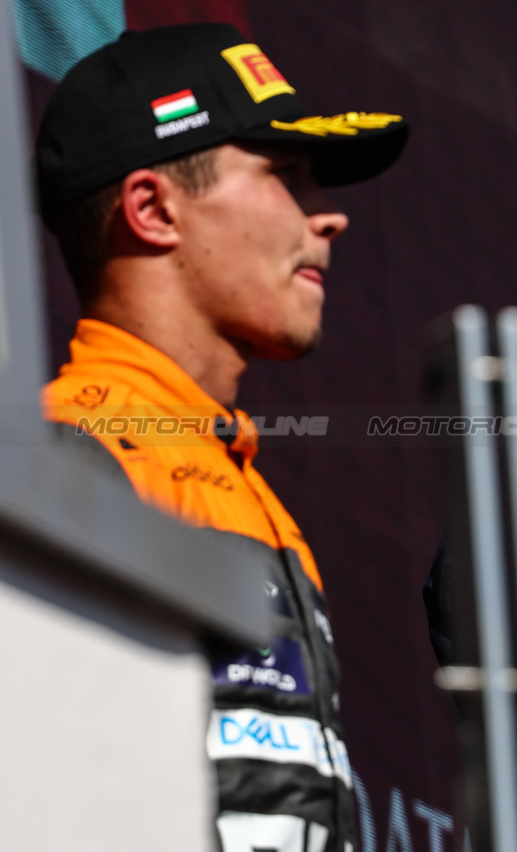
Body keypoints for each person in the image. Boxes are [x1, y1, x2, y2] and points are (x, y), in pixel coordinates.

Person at [38, 23, 407, 852]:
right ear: (152, 209)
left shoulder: (238, 477)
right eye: (284, 175)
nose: (330, 218)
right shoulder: (74, 456)